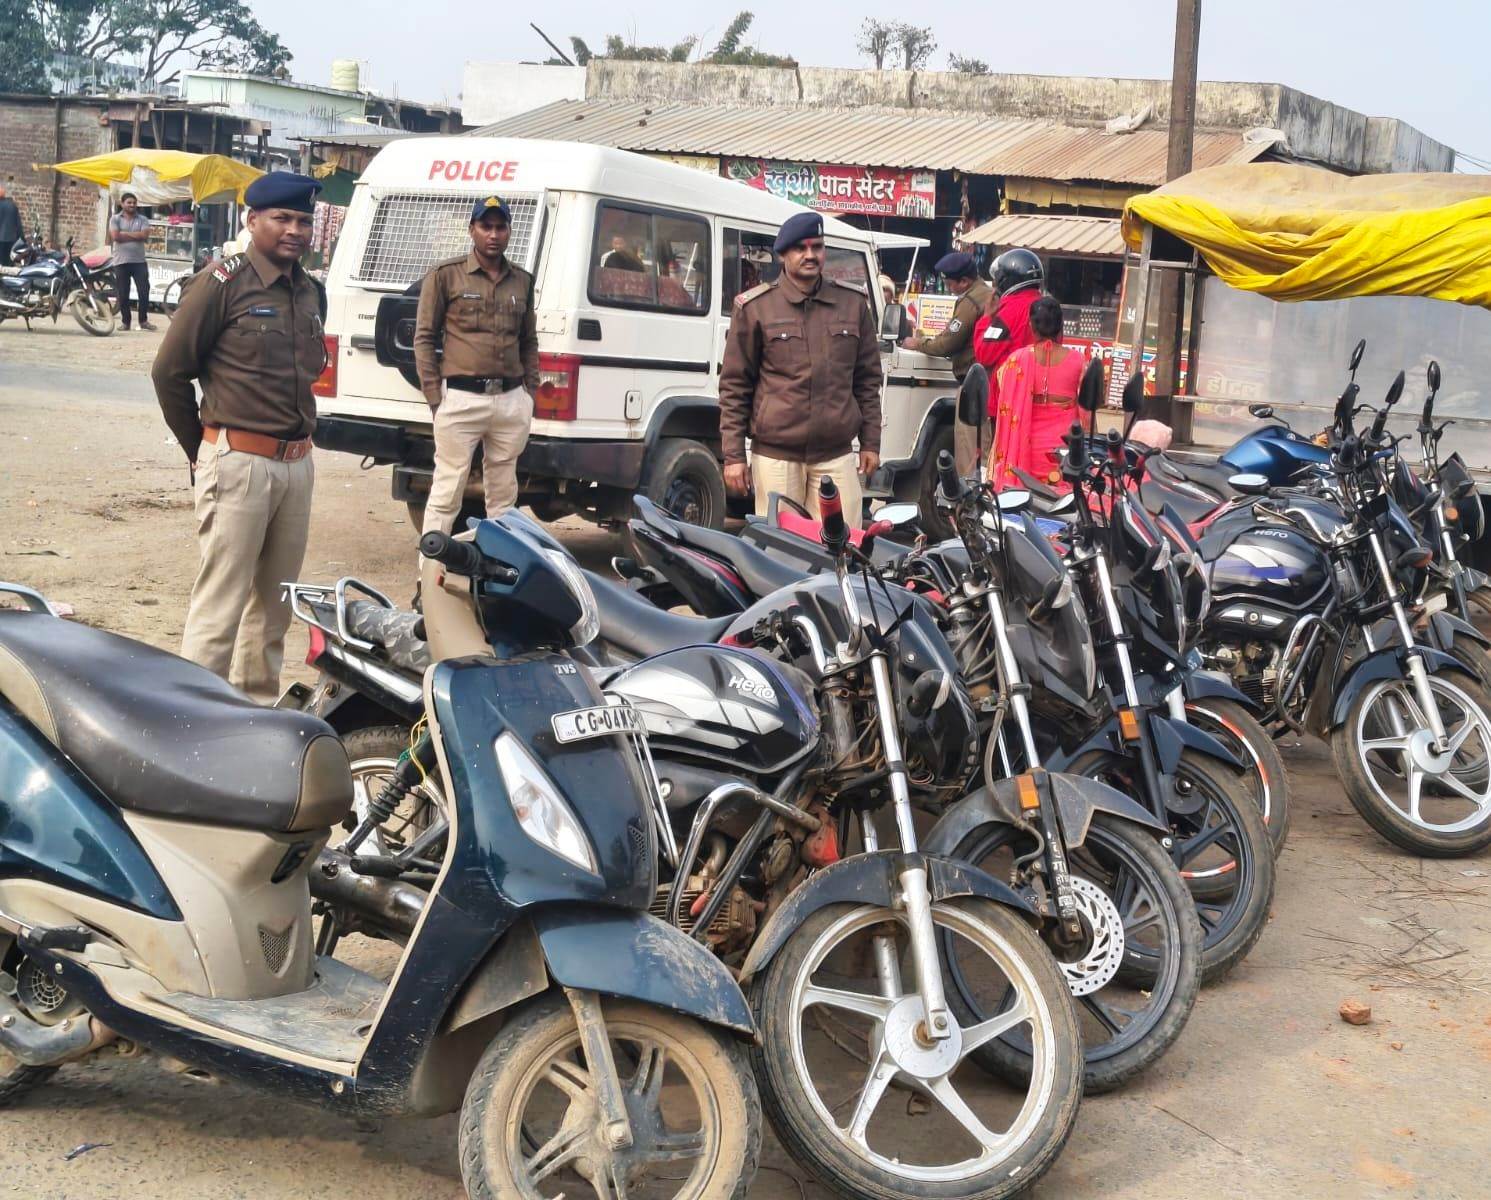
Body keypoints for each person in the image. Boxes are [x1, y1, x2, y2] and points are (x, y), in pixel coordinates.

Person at [151, 171, 327, 703]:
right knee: (220, 607)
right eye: (282, 218)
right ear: (252, 220)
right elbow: (169, 373)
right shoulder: (221, 284)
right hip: (239, 462)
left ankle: (254, 713)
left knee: (274, 609)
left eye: (303, 220)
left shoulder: (310, 291)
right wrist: (203, 451)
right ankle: (192, 718)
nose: (294, 230)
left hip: (296, 466)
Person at [719, 210, 882, 528]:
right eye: (800, 248)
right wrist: (734, 456)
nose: (810, 255)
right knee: (782, 549)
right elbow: (735, 386)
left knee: (844, 544)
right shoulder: (756, 308)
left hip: (836, 455)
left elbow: (867, 380)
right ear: (783, 255)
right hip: (777, 458)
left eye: (817, 247)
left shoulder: (852, 304)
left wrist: (871, 443)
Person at [413, 195, 539, 546]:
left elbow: (529, 340)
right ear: (472, 230)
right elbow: (424, 338)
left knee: (504, 499)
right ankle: (431, 573)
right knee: (447, 492)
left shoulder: (522, 281)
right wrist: (435, 397)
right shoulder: (445, 275)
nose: (493, 234)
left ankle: (499, 569)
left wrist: (529, 392)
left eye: (500, 227)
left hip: (510, 400)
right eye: (486, 226)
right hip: (461, 399)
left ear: (509, 231)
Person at [900, 251, 991, 474]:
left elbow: (948, 343)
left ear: (964, 281)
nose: (949, 288)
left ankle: (969, 492)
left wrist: (918, 343)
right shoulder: (987, 294)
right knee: (984, 448)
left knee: (968, 449)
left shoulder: (971, 301)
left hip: (972, 384)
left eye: (950, 284)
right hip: (987, 382)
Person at [987, 296, 1084, 491]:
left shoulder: (1015, 361)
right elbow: (1089, 411)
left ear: (1031, 326)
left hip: (1022, 456)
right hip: (1065, 457)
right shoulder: (1080, 361)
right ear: (1061, 326)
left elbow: (1003, 396)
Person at [972, 247, 1044, 469]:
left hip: (1009, 399)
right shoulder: (1046, 306)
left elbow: (984, 354)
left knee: (1001, 460)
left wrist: (986, 317)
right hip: (1041, 398)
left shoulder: (1010, 310)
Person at [109, 193, 155, 332]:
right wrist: (136, 235)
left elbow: (144, 235)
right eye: (129, 202)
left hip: (139, 261)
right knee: (123, 293)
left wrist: (124, 234)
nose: (132, 205)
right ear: (122, 203)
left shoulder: (143, 219)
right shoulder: (115, 219)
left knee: (144, 291)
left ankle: (143, 321)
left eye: (134, 202)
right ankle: (126, 322)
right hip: (120, 261)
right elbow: (115, 236)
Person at [0, 185, 22, 266]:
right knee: (10, 263)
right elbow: (18, 225)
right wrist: (21, 238)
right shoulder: (12, 206)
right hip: (11, 239)